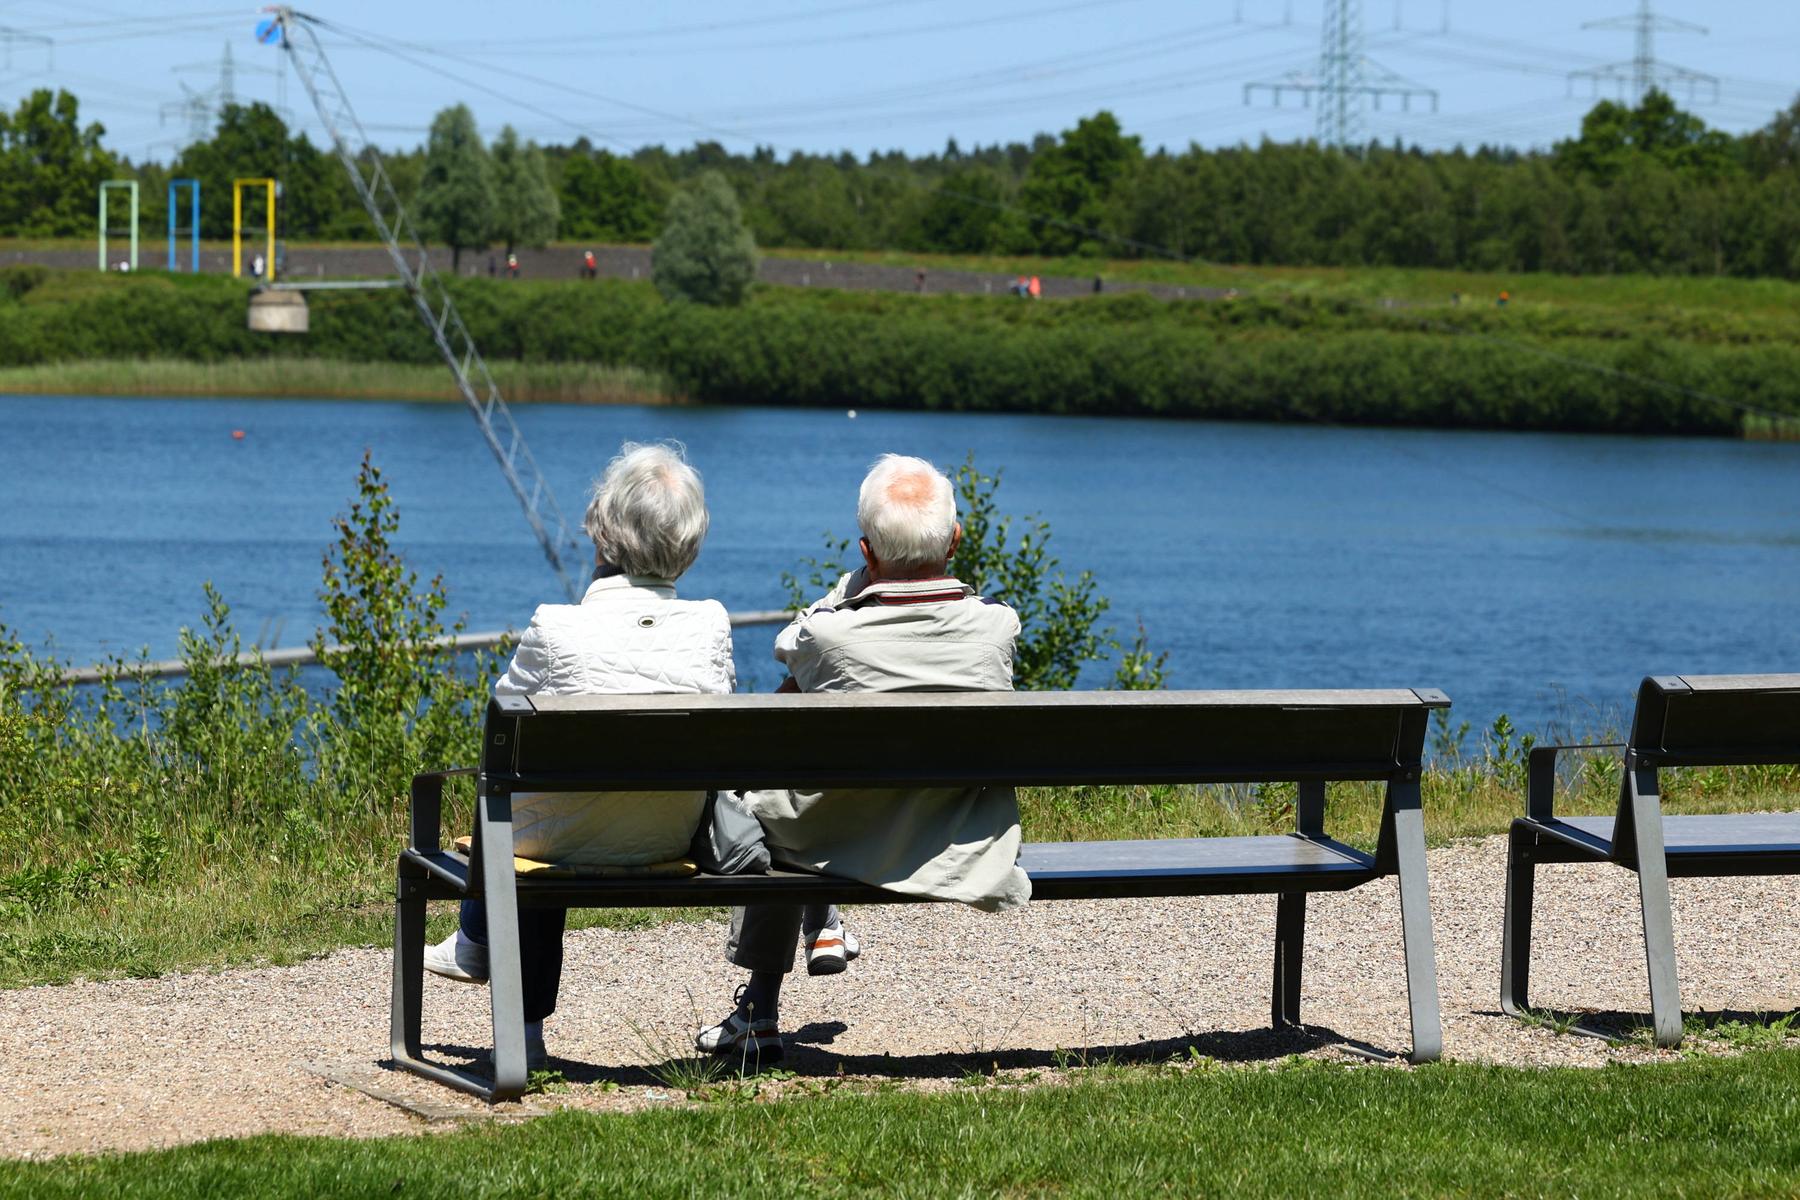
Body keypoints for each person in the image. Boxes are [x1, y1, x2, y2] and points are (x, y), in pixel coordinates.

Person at [696, 454, 1027, 1063]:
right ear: (955, 541)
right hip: (953, 833)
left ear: (867, 552)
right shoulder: (998, 627)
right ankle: (817, 934)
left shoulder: (830, 635)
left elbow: (788, 648)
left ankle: (760, 1009)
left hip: (833, 834)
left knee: (770, 809)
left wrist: (850, 587)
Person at [424, 441, 734, 1067]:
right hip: (666, 837)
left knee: (530, 810)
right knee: (555, 807)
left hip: (553, 844)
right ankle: (478, 947)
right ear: (690, 542)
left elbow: (500, 730)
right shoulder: (712, 625)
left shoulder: (555, 625)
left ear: (602, 534)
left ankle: (501, 991)